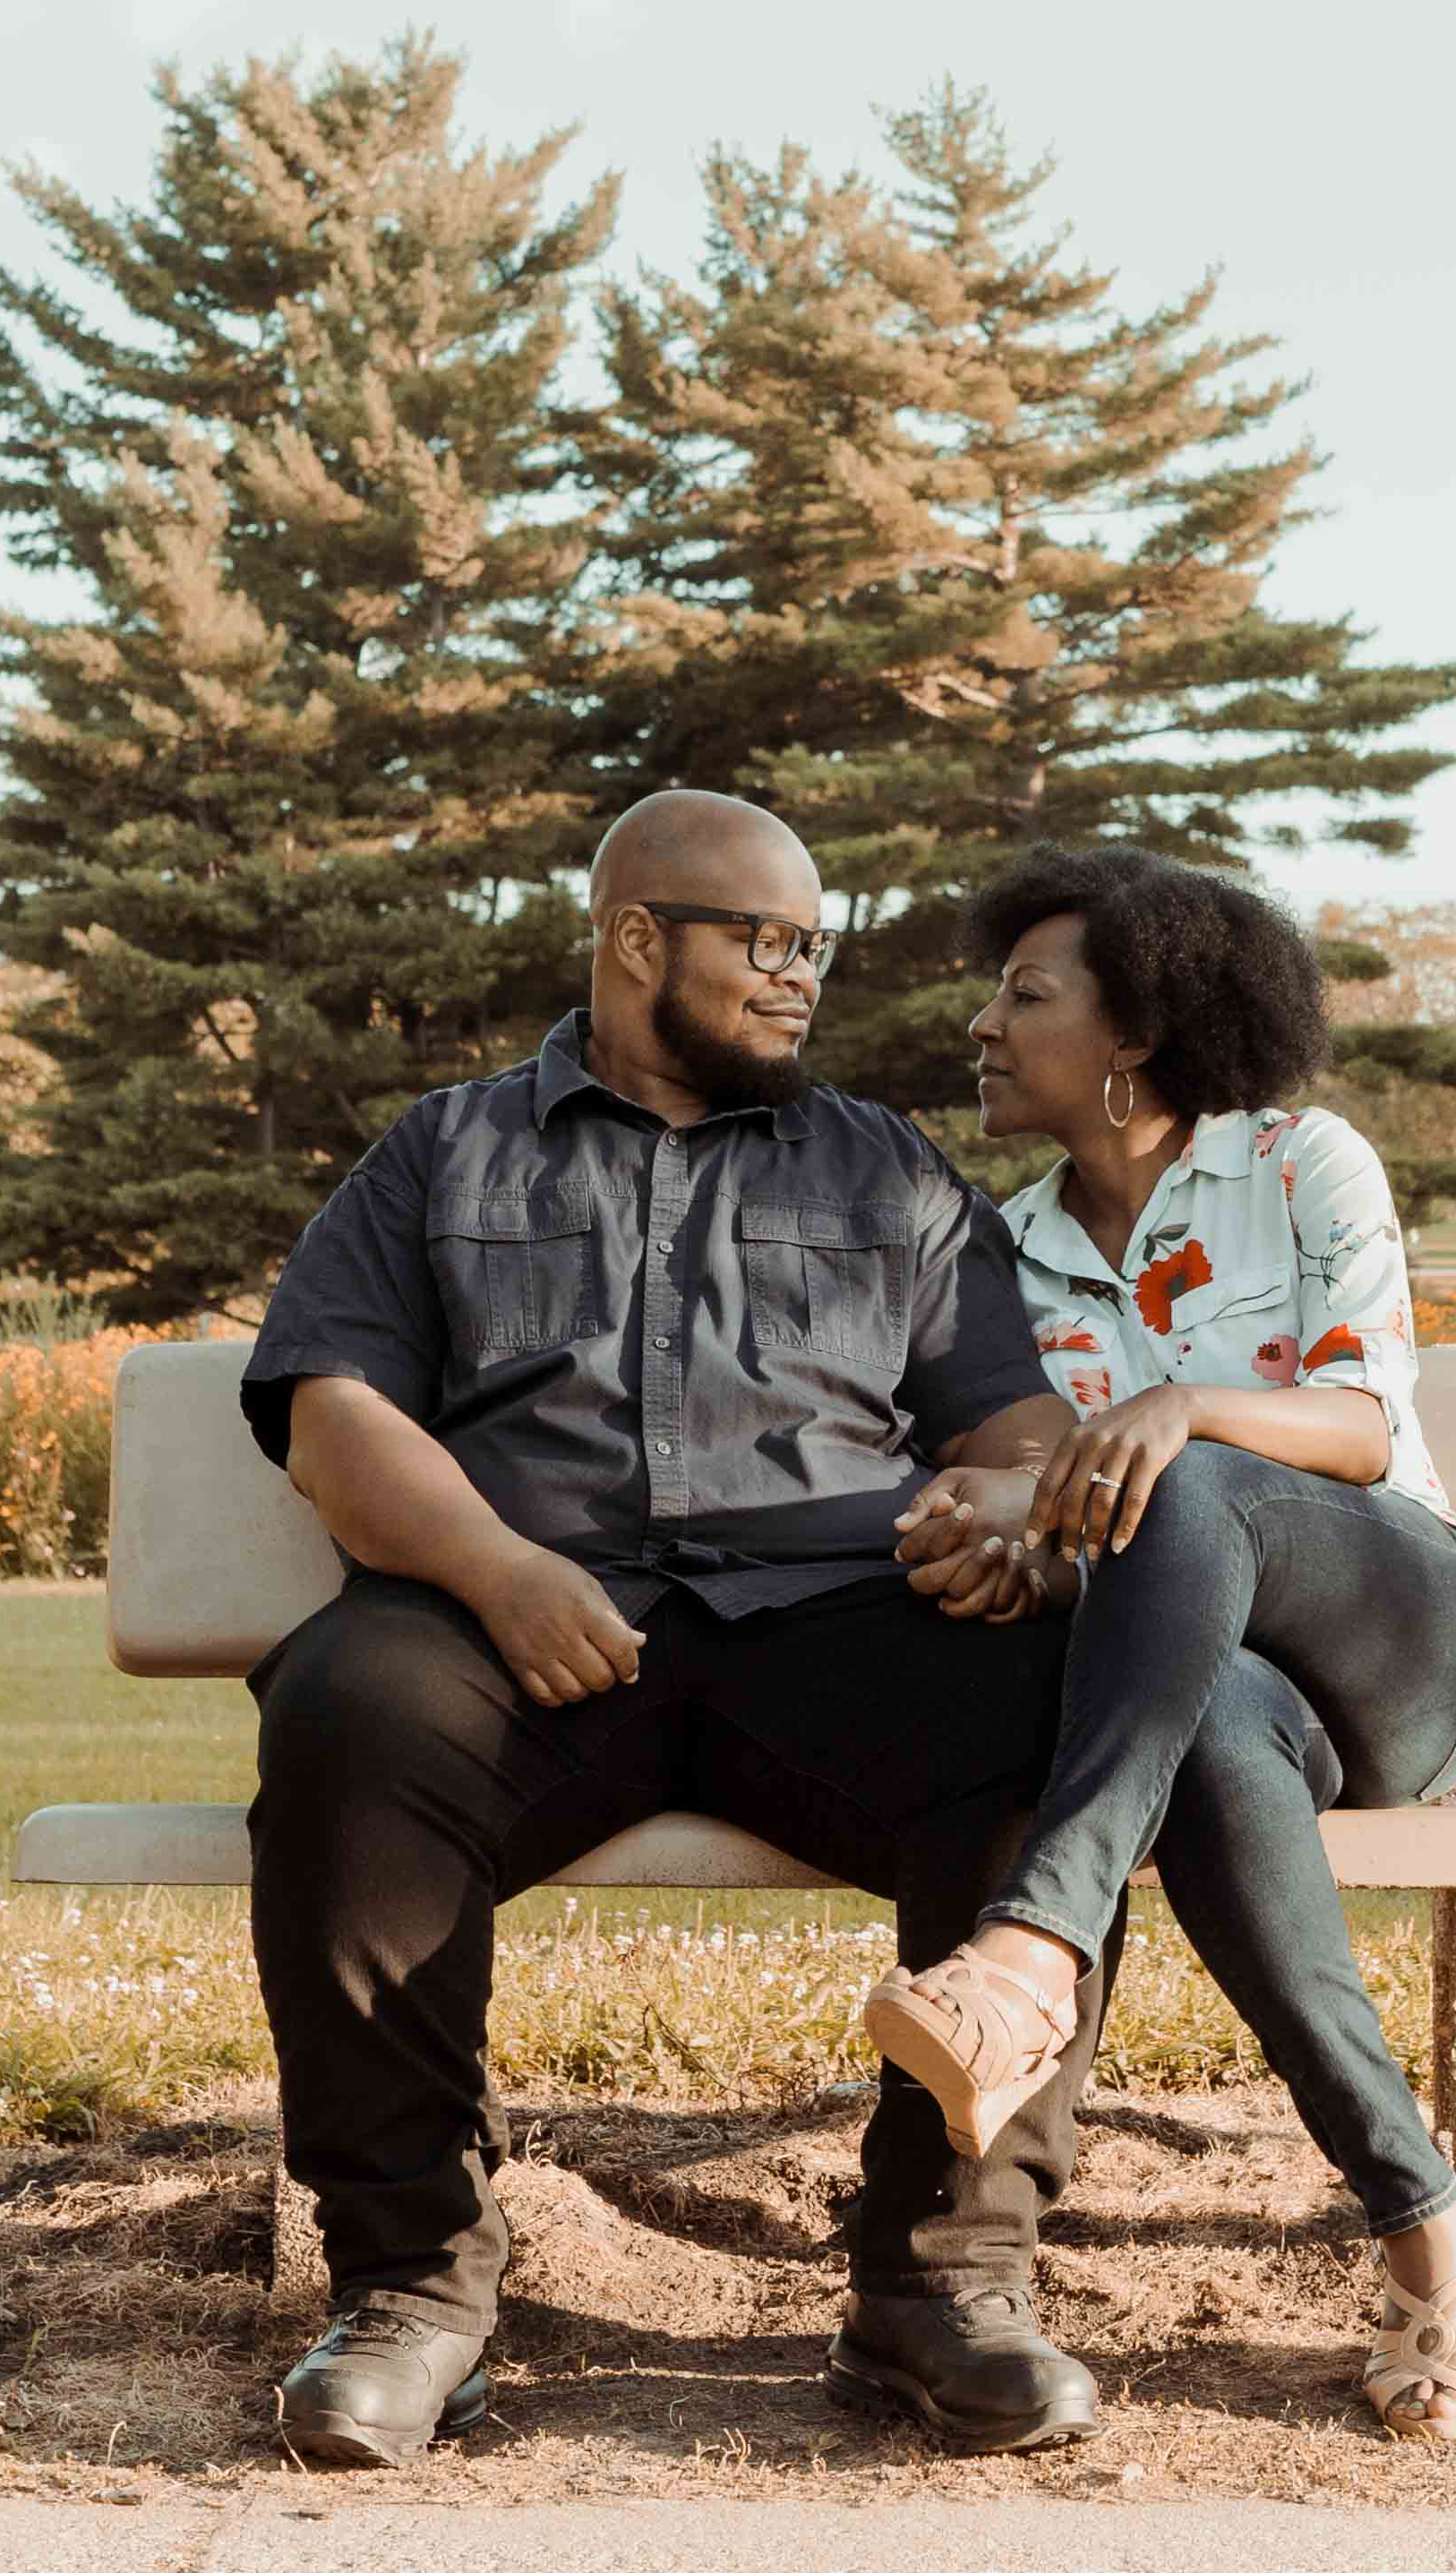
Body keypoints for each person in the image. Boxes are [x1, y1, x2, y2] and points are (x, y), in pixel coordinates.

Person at [238, 792, 1114, 2468]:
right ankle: (413, 2287)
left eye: (816, 948)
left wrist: (1007, 1527)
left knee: (1052, 1713)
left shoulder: (887, 1167)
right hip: (523, 1632)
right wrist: (494, 1571)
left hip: (835, 1628)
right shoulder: (444, 1150)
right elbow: (338, 1416)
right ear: (639, 939)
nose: (800, 979)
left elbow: (1004, 1419)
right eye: (763, 942)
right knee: (349, 1707)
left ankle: (943, 2284)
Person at [870, 843, 1456, 2441]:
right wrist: (990, 1526)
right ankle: (1422, 2214)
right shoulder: (1001, 1251)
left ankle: (1031, 1947)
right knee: (1218, 1743)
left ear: (1138, 1033)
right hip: (1206, 1689)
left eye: (1025, 993)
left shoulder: (1301, 1163)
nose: (982, 1023)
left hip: (1398, 1625)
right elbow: (1016, 1480)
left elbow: (1365, 1428)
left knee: (1199, 1475)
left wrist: (1181, 1406)